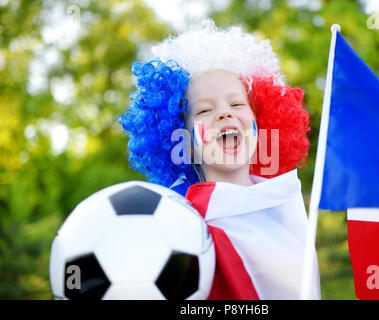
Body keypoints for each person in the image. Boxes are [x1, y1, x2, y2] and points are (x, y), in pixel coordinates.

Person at [119, 20, 321, 299]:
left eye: (237, 103)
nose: (225, 113)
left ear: (260, 121)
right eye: (204, 110)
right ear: (183, 140)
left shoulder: (285, 201)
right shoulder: (177, 220)